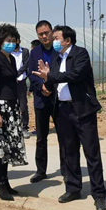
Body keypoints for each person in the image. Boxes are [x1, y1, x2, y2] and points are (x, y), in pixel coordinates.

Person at [34, 25, 106, 210]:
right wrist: (47, 83)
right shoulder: (56, 58)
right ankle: (73, 188)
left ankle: (99, 194)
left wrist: (51, 76)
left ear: (67, 40)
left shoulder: (80, 54)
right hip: (63, 111)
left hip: (82, 109)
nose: (54, 41)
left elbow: (75, 75)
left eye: (56, 38)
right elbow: (54, 79)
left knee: (92, 152)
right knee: (69, 152)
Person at [0, 23, 27, 201]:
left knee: (7, 146)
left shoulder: (10, 59)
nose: (11, 43)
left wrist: (17, 108)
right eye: (7, 40)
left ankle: (5, 181)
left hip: (11, 107)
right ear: (0, 42)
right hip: (0, 108)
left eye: (13, 40)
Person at [28, 20, 66, 183]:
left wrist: (51, 85)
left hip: (59, 98)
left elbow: (64, 71)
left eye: (46, 33)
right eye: (40, 34)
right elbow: (31, 73)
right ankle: (41, 170)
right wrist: (41, 86)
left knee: (63, 136)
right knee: (41, 137)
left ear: (52, 32)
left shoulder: (60, 49)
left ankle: (66, 169)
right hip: (41, 99)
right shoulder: (35, 52)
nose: (44, 36)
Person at [12, 37, 31, 139]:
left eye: (15, 41)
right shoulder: (8, 53)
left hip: (21, 81)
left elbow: (26, 64)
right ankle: (14, 127)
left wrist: (17, 74)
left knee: (23, 106)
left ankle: (24, 127)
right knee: (12, 105)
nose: (13, 43)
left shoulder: (25, 51)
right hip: (11, 82)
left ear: (19, 41)